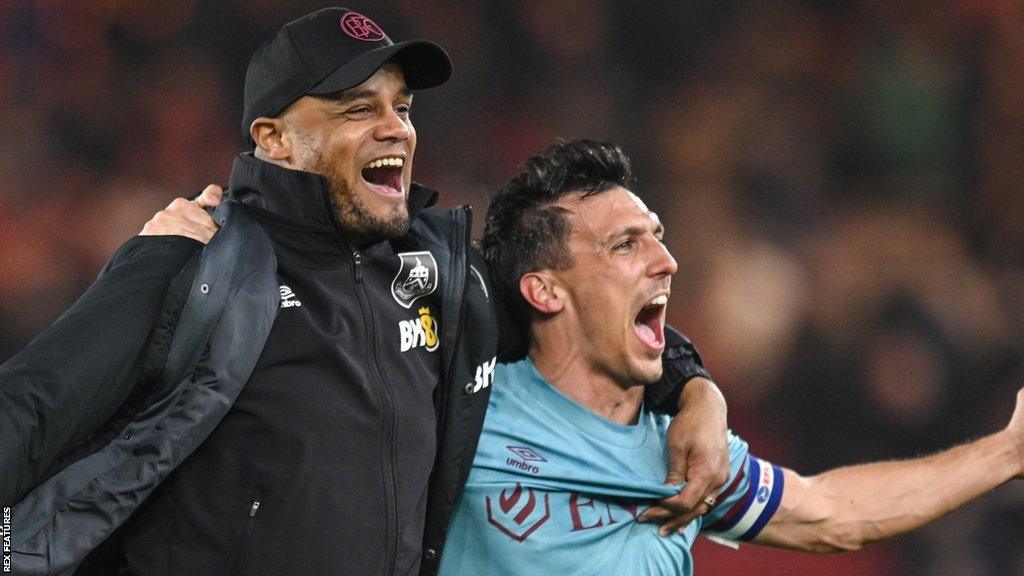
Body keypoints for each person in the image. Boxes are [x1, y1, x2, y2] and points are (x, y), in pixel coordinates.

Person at [0, 8, 728, 576]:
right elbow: (31, 406)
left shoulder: (444, 278)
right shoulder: (195, 262)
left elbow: (584, 313)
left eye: (403, 107)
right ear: (274, 138)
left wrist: (694, 391)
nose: (396, 129)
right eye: (356, 108)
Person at [437, 139, 1024, 575]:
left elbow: (829, 513)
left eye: (658, 236)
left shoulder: (688, 449)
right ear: (544, 290)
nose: (666, 261)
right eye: (625, 244)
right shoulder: (464, 410)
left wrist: (1007, 452)